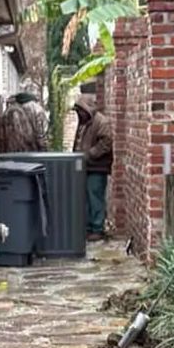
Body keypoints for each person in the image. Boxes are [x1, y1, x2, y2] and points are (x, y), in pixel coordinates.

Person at [71, 90, 114, 239]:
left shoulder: (101, 121)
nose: (78, 114)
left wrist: (90, 154)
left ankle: (97, 228)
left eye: (80, 110)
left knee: (95, 196)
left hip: (97, 166)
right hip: (86, 166)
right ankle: (89, 226)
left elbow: (107, 142)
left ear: (86, 109)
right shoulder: (84, 122)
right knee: (86, 197)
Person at [3, 87, 48, 153]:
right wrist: (43, 148)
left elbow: (3, 131)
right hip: (32, 150)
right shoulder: (37, 109)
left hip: (12, 151)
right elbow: (41, 131)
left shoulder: (9, 111)